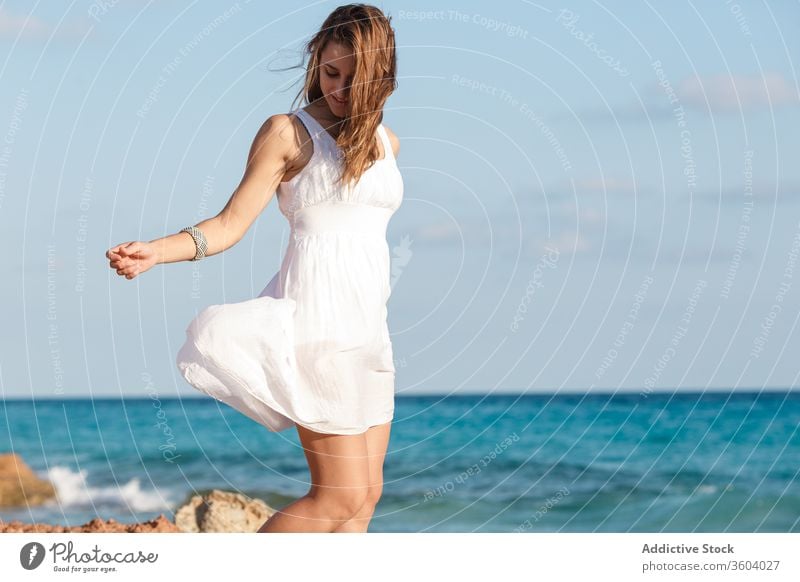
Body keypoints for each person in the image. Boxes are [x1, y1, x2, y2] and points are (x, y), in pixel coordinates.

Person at [105, 4, 402, 533]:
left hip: (370, 332)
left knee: (363, 503)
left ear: (381, 78)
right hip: (318, 327)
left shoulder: (387, 143)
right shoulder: (289, 132)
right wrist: (157, 249)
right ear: (317, 62)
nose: (338, 88)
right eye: (330, 72)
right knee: (338, 498)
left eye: (354, 79)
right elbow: (228, 224)